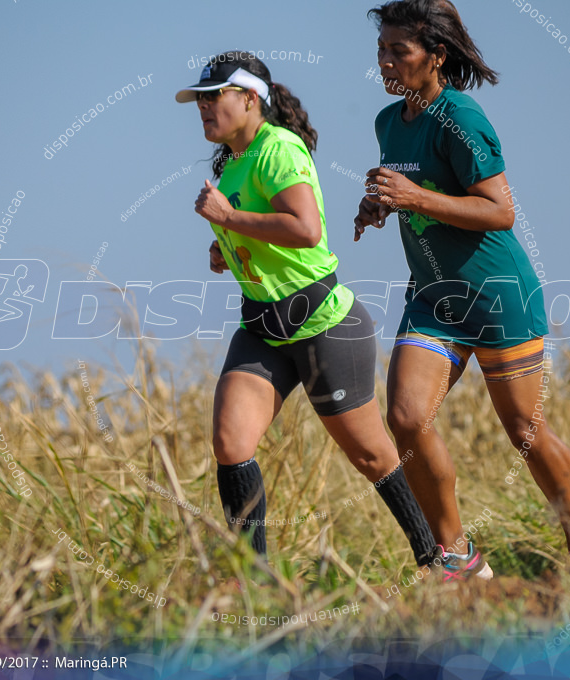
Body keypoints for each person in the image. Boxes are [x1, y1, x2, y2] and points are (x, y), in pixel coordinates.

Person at [354, 0, 570, 581]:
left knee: (524, 431)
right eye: (381, 50)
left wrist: (415, 198)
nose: (386, 61)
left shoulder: (461, 118)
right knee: (405, 417)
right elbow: (412, 190)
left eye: (400, 50)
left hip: (498, 296)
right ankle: (459, 557)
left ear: (436, 56)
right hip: (433, 299)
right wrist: (379, 204)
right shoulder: (387, 122)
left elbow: (500, 212)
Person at [175, 51, 436, 568]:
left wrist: (229, 217)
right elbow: (254, 228)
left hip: (322, 326)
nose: (203, 107)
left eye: (214, 97)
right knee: (231, 442)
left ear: (250, 99)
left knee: (370, 455)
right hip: (263, 328)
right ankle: (255, 580)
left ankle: (436, 559)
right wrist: (226, 245)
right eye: (199, 100)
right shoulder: (232, 163)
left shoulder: (279, 148)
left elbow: (306, 228)